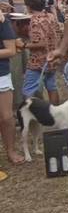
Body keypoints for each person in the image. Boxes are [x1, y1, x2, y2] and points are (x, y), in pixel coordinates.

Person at [20, 0, 61, 105]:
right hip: (52, 57)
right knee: (51, 86)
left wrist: (23, 45)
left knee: (28, 89)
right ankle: (55, 111)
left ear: (28, 6)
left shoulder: (35, 20)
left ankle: (29, 113)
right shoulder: (51, 16)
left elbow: (41, 43)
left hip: (38, 61)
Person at [0, 11, 21, 163]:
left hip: (1, 74)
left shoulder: (3, 22)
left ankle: (11, 151)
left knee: (6, 117)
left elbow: (11, 50)